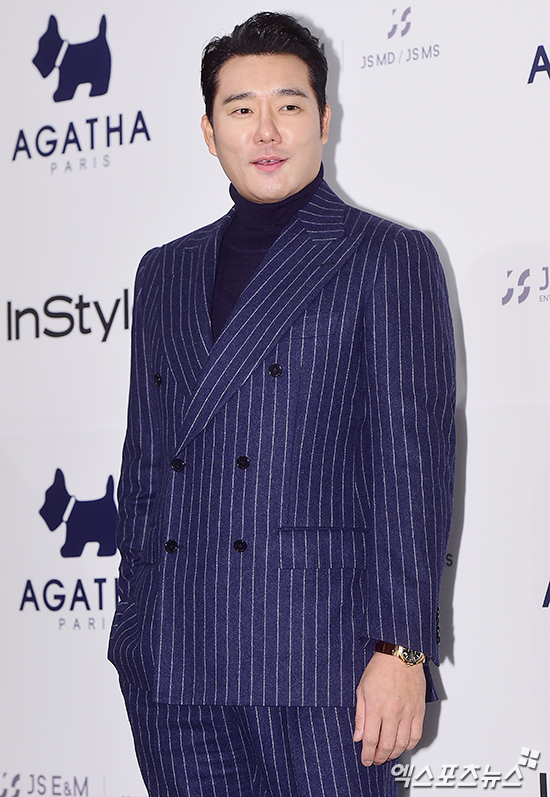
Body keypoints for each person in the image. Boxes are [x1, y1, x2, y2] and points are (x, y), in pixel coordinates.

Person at [108, 11, 455, 797]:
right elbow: (145, 461)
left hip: (320, 658)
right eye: (241, 108)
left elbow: (410, 466)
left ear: (324, 120)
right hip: (174, 660)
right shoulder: (164, 271)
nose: (266, 129)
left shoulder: (385, 255)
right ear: (209, 131)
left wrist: (401, 650)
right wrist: (133, 628)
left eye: (289, 105)